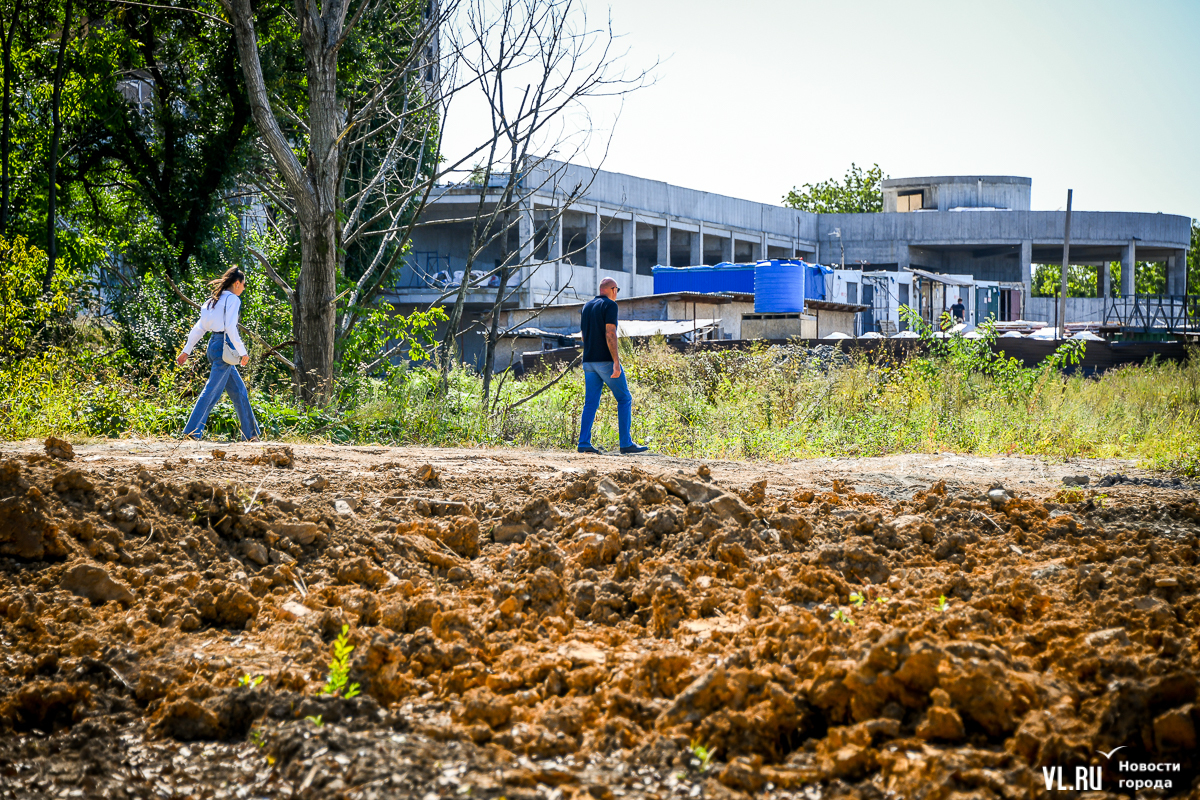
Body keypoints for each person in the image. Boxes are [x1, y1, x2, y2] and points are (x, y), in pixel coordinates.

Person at [176, 267, 262, 441]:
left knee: (239, 391)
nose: (244, 288)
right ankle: (191, 432)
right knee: (211, 392)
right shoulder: (233, 300)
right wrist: (243, 352)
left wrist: (187, 350)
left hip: (214, 345)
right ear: (237, 283)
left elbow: (199, 328)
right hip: (225, 346)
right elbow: (230, 327)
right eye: (243, 285)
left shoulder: (211, 301)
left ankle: (251, 435)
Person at [577, 278, 648, 455]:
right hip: (605, 361)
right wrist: (616, 362)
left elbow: (584, 336)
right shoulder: (610, 305)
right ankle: (625, 443)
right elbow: (610, 333)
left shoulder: (586, 306)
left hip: (588, 361)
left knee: (590, 403)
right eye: (617, 289)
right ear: (613, 290)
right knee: (624, 398)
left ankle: (583, 442)